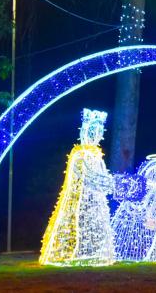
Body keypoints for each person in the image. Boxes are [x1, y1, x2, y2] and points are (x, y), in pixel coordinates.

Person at [40, 109, 115, 266]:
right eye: (92, 130)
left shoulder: (97, 155)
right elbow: (90, 176)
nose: (95, 134)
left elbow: (102, 176)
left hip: (96, 201)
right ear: (84, 131)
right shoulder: (79, 154)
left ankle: (96, 254)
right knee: (76, 226)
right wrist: (111, 183)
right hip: (78, 199)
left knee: (94, 227)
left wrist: (109, 183)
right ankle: (66, 254)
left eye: (99, 131)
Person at [112, 157, 156, 262]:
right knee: (127, 241)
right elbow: (126, 205)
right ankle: (120, 253)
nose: (155, 176)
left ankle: (151, 257)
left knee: (150, 246)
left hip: (152, 227)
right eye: (153, 172)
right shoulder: (136, 187)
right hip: (133, 227)